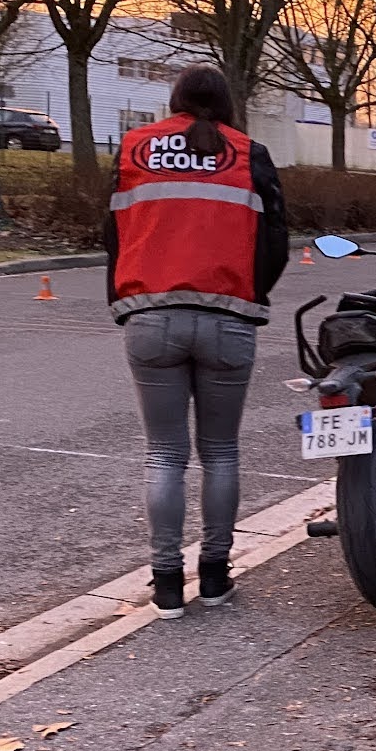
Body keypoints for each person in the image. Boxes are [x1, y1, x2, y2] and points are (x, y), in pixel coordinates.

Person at [106, 65, 289, 616]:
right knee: (221, 452)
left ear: (174, 99)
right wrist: (251, 295)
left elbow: (113, 233)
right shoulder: (250, 154)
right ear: (227, 102)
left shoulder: (135, 149)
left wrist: (125, 298)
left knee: (164, 454)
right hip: (228, 317)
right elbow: (276, 241)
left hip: (150, 313)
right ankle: (214, 576)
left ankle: (166, 584)